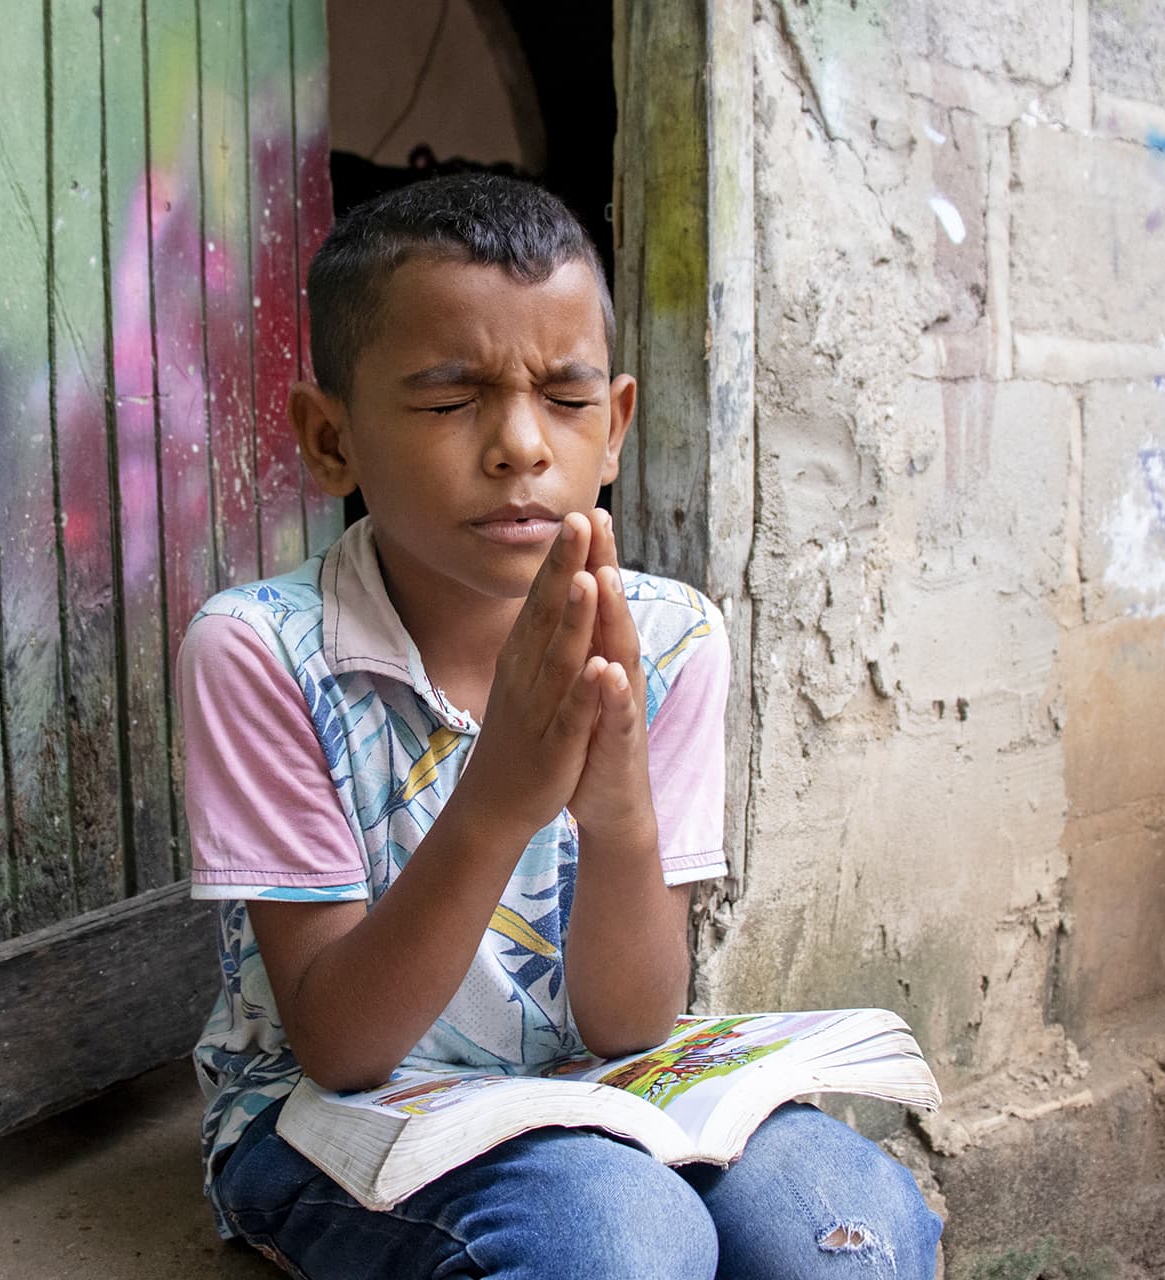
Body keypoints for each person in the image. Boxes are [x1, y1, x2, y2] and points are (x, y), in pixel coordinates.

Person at [178, 173, 941, 1279]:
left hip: (601, 1083)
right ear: (329, 436)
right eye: (450, 400)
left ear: (617, 423)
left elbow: (632, 1020)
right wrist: (500, 799)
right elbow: (341, 1045)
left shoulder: (670, 639)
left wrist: (618, 804)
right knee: (618, 1238)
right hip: (331, 1118)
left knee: (847, 1229)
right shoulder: (263, 651)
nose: (521, 445)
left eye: (568, 400)